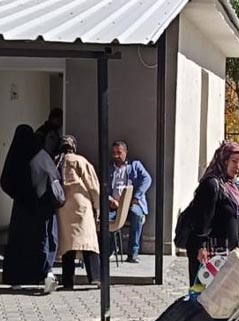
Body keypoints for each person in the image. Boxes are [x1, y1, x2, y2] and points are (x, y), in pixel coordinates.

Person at [186, 141, 239, 321]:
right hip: (210, 252)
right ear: (223, 160)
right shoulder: (212, 185)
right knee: (208, 299)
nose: (238, 167)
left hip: (225, 252)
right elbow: (201, 221)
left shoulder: (228, 185)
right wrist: (201, 248)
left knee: (222, 299)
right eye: (234, 162)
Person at [0, 125, 59, 293]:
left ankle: (16, 278)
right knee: (43, 240)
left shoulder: (14, 156)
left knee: (19, 243)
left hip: (21, 207)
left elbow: (5, 181)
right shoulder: (39, 154)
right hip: (41, 207)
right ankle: (44, 275)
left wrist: (19, 193)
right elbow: (54, 175)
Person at [55, 136, 100, 290]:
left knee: (68, 245)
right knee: (88, 242)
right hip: (81, 205)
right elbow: (93, 185)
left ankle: (68, 281)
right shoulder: (80, 161)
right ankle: (95, 278)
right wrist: (97, 205)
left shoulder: (57, 161)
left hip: (63, 207)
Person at [109, 140, 151, 263]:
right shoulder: (109, 169)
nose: (116, 155)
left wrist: (136, 197)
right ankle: (111, 248)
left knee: (137, 215)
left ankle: (133, 253)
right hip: (115, 204)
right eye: (114, 153)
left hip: (132, 203)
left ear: (126, 152)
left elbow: (147, 179)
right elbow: (103, 186)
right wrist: (110, 199)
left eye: (119, 152)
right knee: (106, 218)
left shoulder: (135, 165)